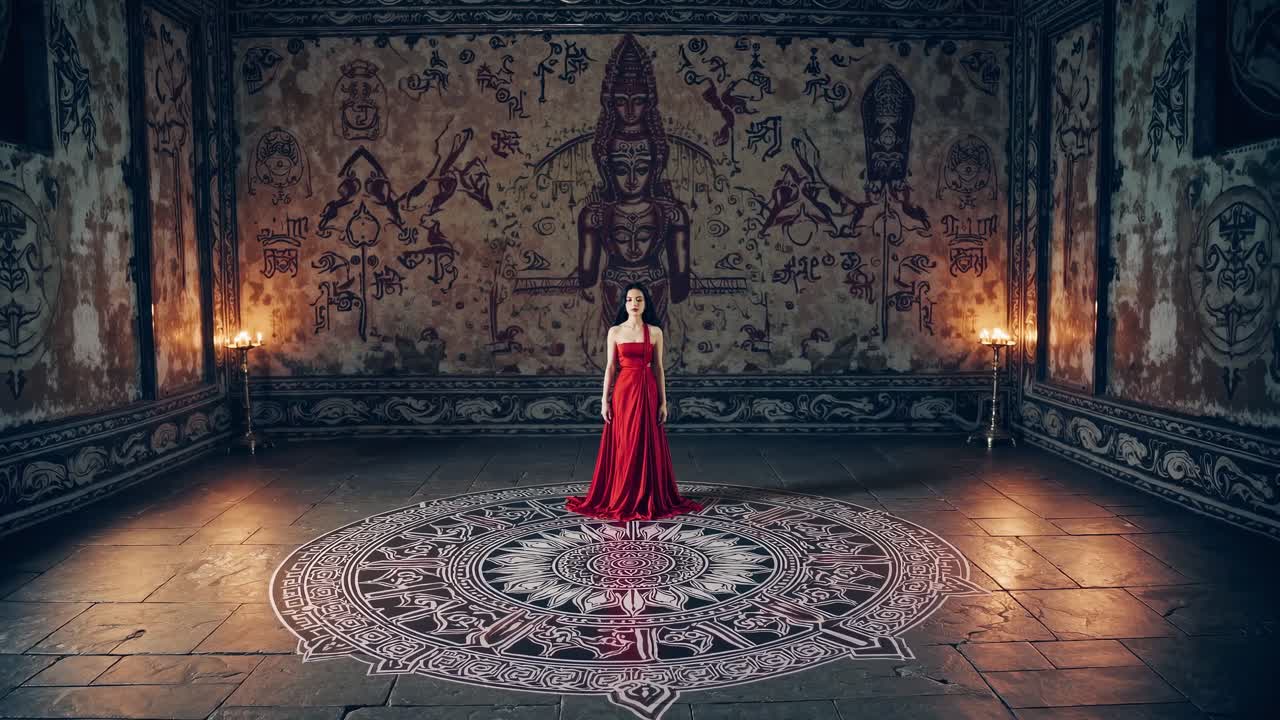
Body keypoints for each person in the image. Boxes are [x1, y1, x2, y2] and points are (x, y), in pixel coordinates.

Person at [566, 283, 702, 521]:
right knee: (625, 441)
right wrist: (604, 401)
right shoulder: (615, 332)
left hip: (647, 389)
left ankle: (645, 494)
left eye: (639, 299)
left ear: (645, 302)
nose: (634, 303)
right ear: (624, 303)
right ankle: (623, 494)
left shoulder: (655, 331)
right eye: (629, 299)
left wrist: (663, 402)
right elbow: (610, 367)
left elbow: (659, 368)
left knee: (645, 440)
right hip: (624, 392)